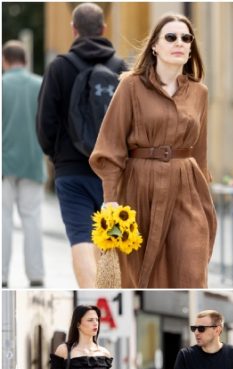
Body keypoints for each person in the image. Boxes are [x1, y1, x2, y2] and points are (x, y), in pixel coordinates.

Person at [89, 13, 215, 288]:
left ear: (191, 48)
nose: (179, 42)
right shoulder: (130, 86)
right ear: (155, 46)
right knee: (138, 272)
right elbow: (110, 145)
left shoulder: (199, 93)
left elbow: (199, 151)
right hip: (139, 188)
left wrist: (204, 194)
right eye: (171, 37)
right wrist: (110, 199)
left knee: (191, 266)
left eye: (186, 38)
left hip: (186, 189)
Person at [35, 3, 126, 288]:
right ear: (104, 29)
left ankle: (91, 294)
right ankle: (109, 292)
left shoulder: (59, 67)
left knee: (80, 238)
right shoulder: (122, 68)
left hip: (71, 171)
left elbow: (45, 123)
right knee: (110, 240)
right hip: (112, 175)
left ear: (73, 29)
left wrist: (57, 157)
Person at [3, 40, 46, 288]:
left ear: (4, 61)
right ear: (26, 60)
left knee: (3, 220)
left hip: (4, 164)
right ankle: (36, 274)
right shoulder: (40, 85)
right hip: (33, 161)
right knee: (32, 220)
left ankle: (2, 275)